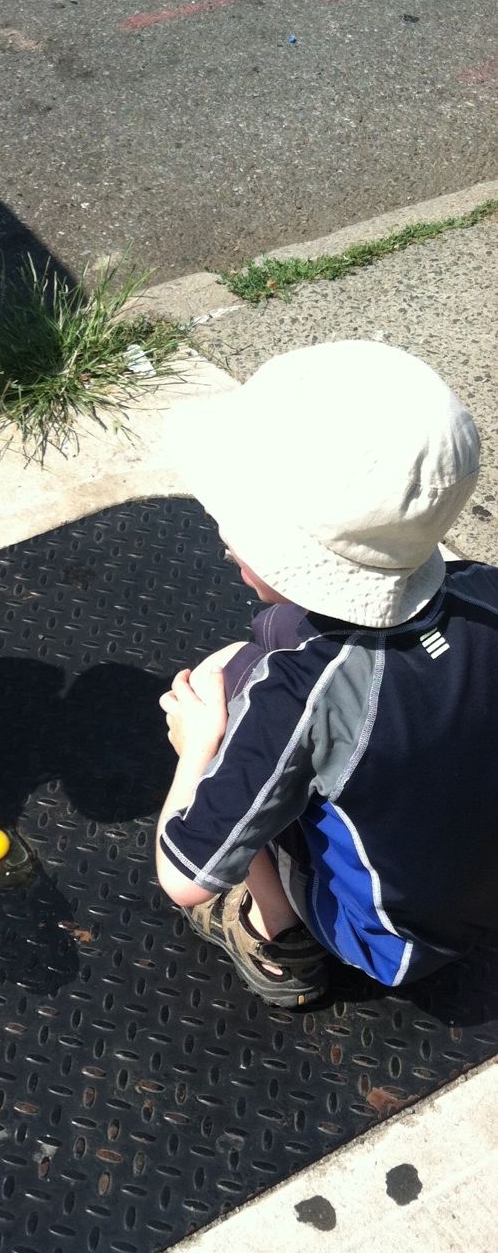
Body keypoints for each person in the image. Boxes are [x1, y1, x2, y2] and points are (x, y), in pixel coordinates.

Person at [154, 339, 496, 1008]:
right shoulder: (483, 591)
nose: (223, 536)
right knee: (244, 666)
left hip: (389, 939)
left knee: (215, 701)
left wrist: (196, 742)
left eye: (235, 521)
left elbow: (184, 875)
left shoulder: (299, 693)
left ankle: (277, 935)